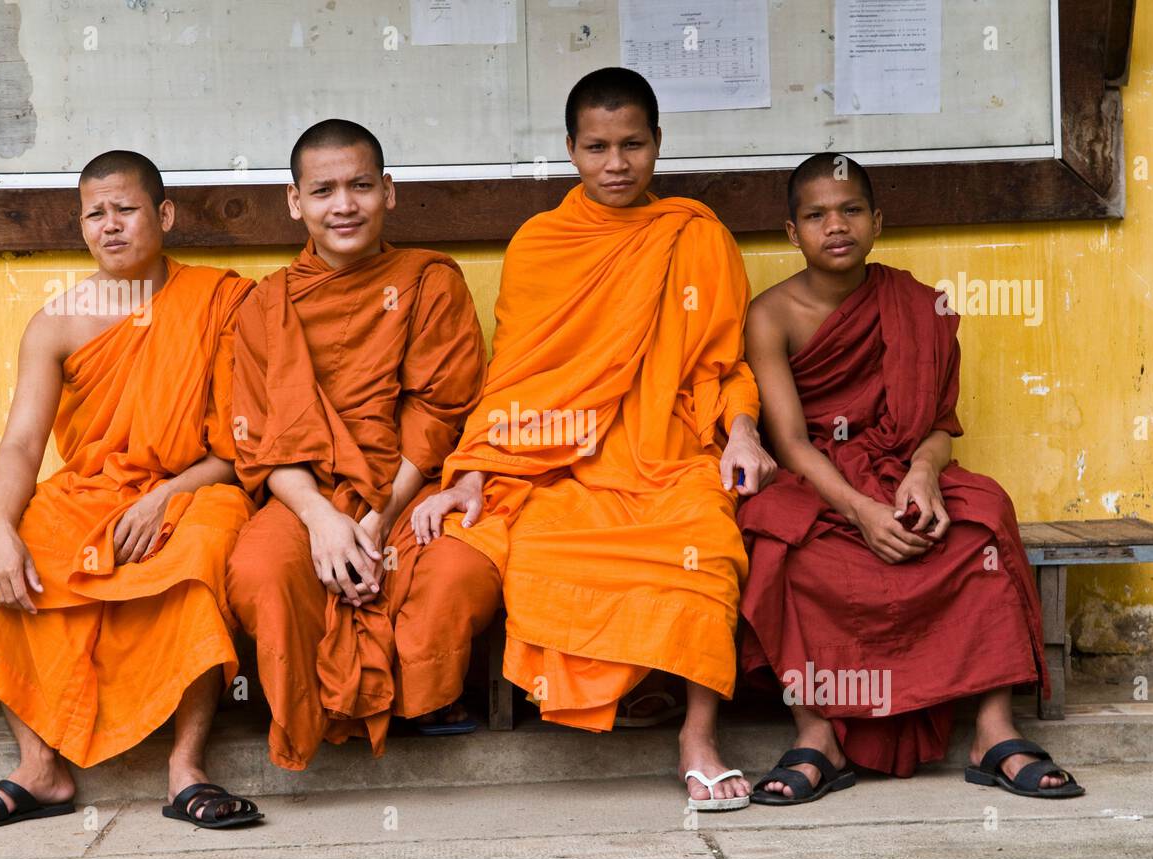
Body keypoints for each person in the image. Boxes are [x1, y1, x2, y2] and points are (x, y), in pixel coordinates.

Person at [411, 68, 773, 811]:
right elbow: (514, 372)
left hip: (669, 449)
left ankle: (698, 735)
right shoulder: (542, 243)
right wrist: (475, 468)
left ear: (658, 144)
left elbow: (723, 362)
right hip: (562, 458)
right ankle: (630, 683)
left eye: (633, 144)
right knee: (538, 547)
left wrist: (741, 432)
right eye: (598, 146)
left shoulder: (695, 235)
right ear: (571, 149)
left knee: (706, 546)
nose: (617, 164)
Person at [738, 152, 1084, 804]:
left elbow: (938, 423)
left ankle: (992, 730)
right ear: (792, 232)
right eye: (816, 215)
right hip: (817, 477)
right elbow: (786, 442)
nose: (835, 226)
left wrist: (922, 474)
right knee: (780, 543)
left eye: (851, 210)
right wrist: (859, 512)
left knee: (981, 519)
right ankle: (817, 733)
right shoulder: (771, 314)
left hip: (901, 468)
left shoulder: (920, 304)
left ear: (877, 221)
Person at [0, 151, 263, 832]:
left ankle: (186, 766)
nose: (110, 225)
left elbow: (244, 447)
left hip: (197, 486)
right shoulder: (57, 323)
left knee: (202, 552)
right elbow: (23, 444)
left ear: (163, 215)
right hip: (92, 491)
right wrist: (1, 525)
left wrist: (167, 494)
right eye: (95, 214)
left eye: (126, 209)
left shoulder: (220, 301)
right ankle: (39, 766)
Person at [225, 120, 498, 770]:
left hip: (411, 489)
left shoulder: (430, 282)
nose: (343, 204)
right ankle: (314, 707)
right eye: (323, 190)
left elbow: (438, 415)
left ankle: (418, 696)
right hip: (302, 495)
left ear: (389, 191)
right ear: (296, 201)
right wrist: (323, 522)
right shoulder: (267, 306)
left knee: (463, 571)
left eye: (360, 186)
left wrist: (375, 519)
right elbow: (260, 438)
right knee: (262, 569)